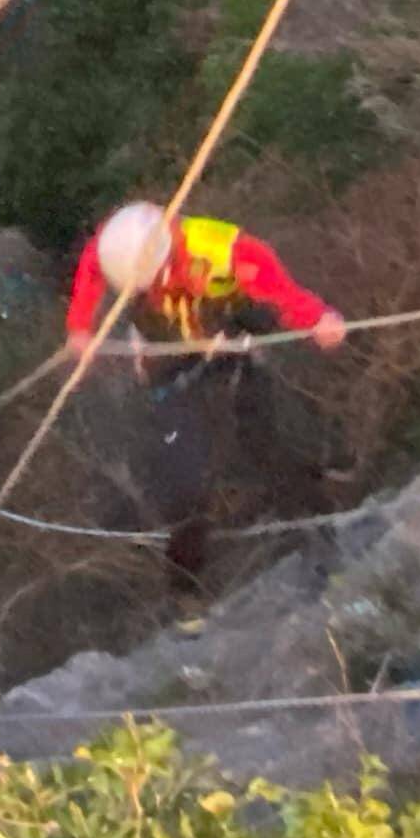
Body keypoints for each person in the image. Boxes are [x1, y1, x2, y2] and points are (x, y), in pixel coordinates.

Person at [63, 200, 347, 593]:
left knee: (266, 441)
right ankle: (186, 591)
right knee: (182, 473)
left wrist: (316, 317)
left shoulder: (221, 250)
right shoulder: (119, 244)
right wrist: (79, 326)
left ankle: (319, 535)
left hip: (230, 335)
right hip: (169, 352)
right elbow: (92, 267)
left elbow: (275, 284)